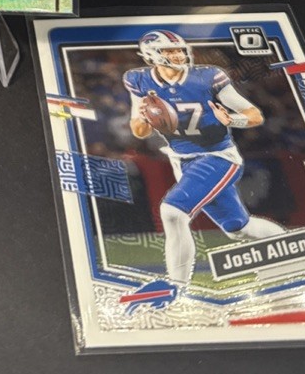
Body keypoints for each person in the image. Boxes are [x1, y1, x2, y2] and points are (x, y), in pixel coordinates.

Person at [120, 31, 287, 311]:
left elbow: (254, 115)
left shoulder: (208, 76)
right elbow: (138, 131)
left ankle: (176, 289)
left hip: (218, 156)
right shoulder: (138, 80)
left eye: (179, 50)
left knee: (172, 212)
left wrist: (231, 119)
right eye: (170, 51)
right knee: (239, 229)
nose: (179, 55)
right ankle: (292, 246)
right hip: (182, 161)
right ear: (151, 54)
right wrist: (148, 118)